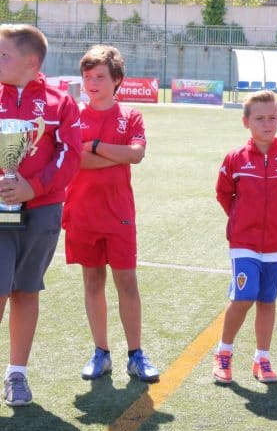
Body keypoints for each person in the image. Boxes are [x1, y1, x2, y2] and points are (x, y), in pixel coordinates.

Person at [64, 45, 159, 383]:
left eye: (100, 76)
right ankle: (101, 352)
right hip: (82, 213)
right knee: (92, 281)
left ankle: (136, 355)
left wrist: (95, 147)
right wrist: (112, 154)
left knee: (127, 282)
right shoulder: (73, 115)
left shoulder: (130, 116)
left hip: (119, 213)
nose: (92, 83)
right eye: (87, 77)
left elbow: (136, 154)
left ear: (117, 80)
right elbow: (77, 160)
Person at [0, 24, 82, 407]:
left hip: (43, 210)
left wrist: (33, 187)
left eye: (3, 55)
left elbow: (71, 155)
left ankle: (17, 373)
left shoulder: (59, 103)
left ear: (31, 62)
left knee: (25, 290)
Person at [213, 90, 277, 384]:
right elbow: (224, 193)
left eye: (272, 118)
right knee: (244, 296)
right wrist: (242, 219)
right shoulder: (235, 159)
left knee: (267, 300)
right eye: (260, 119)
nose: (267, 124)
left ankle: (262, 358)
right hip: (244, 244)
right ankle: (223, 353)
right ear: (246, 122)